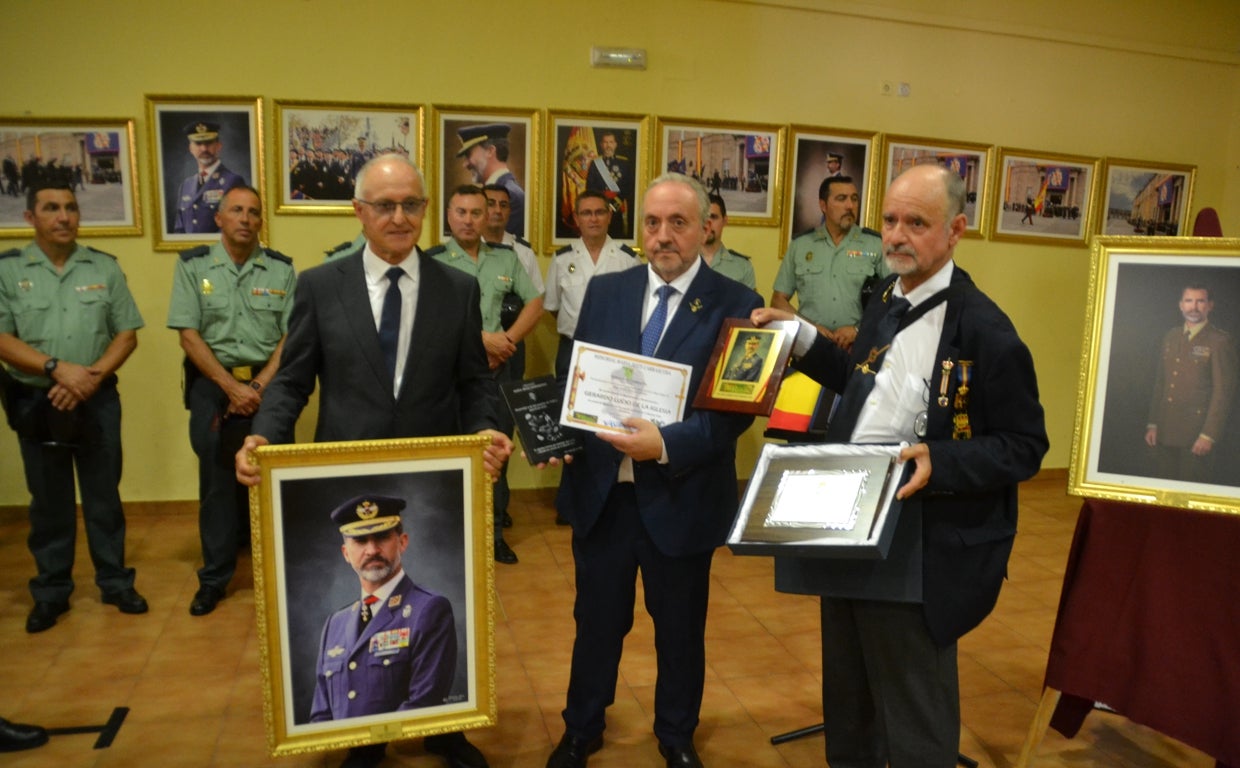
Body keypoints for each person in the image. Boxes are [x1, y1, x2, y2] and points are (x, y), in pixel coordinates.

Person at [752, 164, 1048, 768]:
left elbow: (1025, 445)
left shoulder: (987, 330)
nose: (896, 235)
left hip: (920, 539)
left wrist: (941, 459)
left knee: (914, 709)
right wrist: (802, 336)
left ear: (956, 230)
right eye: (889, 220)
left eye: (917, 222)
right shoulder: (886, 298)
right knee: (850, 695)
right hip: (849, 516)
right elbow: (863, 380)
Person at [236, 154, 510, 768]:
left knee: (434, 611)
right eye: (384, 205)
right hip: (348, 472)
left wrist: (489, 431)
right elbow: (291, 381)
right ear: (359, 211)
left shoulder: (458, 290)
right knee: (370, 614)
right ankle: (369, 732)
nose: (399, 217)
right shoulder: (318, 285)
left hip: (433, 479)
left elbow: (473, 383)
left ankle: (442, 724)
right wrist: (263, 437)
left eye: (411, 204)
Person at [544, 174, 763, 768]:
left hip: (682, 494)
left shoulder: (737, 304)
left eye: (678, 223)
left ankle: (676, 736)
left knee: (680, 630)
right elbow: (579, 382)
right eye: (652, 223)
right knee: (596, 622)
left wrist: (664, 445)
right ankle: (581, 729)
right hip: (604, 495)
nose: (663, 236)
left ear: (705, 228)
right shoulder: (605, 291)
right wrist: (556, 434)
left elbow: (732, 414)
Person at [0, 184, 148, 634]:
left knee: (104, 497)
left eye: (70, 207)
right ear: (31, 217)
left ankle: (115, 582)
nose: (63, 216)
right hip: (37, 399)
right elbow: (3, 339)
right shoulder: (8, 271)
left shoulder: (103, 267)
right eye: (51, 209)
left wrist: (87, 380)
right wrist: (57, 369)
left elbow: (126, 334)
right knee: (50, 502)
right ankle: (51, 591)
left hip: (97, 397)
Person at [167, 184, 295, 616]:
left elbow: (289, 336)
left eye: (254, 212)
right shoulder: (193, 267)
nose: (245, 219)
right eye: (236, 211)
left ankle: (279, 577)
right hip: (213, 387)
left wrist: (257, 387)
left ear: (262, 221)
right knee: (218, 486)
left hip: (268, 387)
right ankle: (215, 578)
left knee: (272, 484)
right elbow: (189, 334)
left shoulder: (281, 270)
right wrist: (232, 387)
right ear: (218, 218)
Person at [427, 185, 544, 564]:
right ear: (448, 215)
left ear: (487, 217)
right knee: (450, 453)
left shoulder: (506, 260)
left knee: (498, 453)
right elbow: (427, 316)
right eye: (460, 212)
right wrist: (483, 341)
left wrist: (506, 341)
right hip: (449, 374)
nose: (468, 219)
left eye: (476, 213)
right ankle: (450, 537)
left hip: (498, 371)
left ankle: (492, 535)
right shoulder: (431, 261)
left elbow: (536, 302)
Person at [310, 494, 457, 723]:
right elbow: (320, 715)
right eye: (360, 541)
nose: (372, 550)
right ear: (346, 554)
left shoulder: (428, 610)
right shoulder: (334, 624)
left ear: (402, 542)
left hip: (400, 752)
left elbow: (424, 704)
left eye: (381, 537)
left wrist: (364, 751)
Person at [771, 176, 887, 352]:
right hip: (810, 346)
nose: (850, 205)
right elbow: (778, 300)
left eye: (854, 199)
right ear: (823, 205)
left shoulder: (876, 245)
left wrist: (858, 330)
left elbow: (894, 299)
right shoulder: (801, 245)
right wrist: (809, 328)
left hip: (859, 348)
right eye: (841, 199)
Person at [1144, 284, 1237, 483]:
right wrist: (1153, 423)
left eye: (1200, 301)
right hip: (1165, 429)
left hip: (1196, 435)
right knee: (1164, 489)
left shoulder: (1220, 341)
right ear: (1180, 305)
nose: (1193, 307)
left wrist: (1208, 435)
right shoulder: (1171, 336)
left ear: (1210, 306)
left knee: (1191, 493)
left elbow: (1223, 393)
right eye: (1188, 301)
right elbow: (1161, 383)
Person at [544, 190, 638, 380]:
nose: (593, 219)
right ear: (577, 219)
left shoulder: (628, 259)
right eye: (586, 213)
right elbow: (554, 307)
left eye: (600, 212)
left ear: (609, 216)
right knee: (567, 404)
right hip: (571, 348)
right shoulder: (562, 259)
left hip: (615, 350)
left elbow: (637, 310)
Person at [482, 182, 545, 383]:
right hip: (473, 344)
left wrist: (505, 344)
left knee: (509, 408)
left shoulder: (523, 253)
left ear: (510, 211)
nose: (497, 210)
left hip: (513, 345)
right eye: (491, 204)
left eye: (503, 205)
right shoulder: (467, 249)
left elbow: (536, 305)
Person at [171, 121, 246, 235]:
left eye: (209, 143)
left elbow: (235, 225)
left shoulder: (233, 181)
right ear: (191, 148)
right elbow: (179, 229)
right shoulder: (186, 185)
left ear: (218, 146)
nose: (204, 149)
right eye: (198, 144)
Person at [457, 123, 524, 237]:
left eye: (469, 155)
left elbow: (496, 243)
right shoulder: (505, 191)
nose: (465, 164)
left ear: (490, 151)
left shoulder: (511, 195)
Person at [584, 130, 634, 240]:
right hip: (600, 207)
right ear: (601, 145)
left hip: (618, 207)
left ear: (615, 144)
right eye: (605, 142)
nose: (608, 146)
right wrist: (602, 204)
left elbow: (628, 186)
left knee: (618, 235)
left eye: (611, 142)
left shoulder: (624, 163)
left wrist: (614, 205)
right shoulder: (595, 163)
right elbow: (590, 188)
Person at [700, 194, 756, 290]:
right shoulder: (682, 262)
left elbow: (750, 305)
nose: (707, 223)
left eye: (713, 217)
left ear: (725, 221)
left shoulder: (742, 267)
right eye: (703, 217)